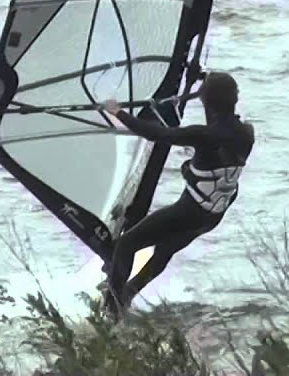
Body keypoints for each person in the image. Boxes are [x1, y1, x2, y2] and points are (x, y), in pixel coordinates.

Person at [99, 71, 254, 317]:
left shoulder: (203, 136)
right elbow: (220, 166)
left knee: (127, 244)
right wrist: (202, 78)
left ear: (206, 103)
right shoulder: (247, 133)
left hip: (189, 213)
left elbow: (158, 134)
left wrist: (118, 112)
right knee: (164, 251)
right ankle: (127, 296)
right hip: (212, 217)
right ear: (234, 100)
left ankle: (112, 310)